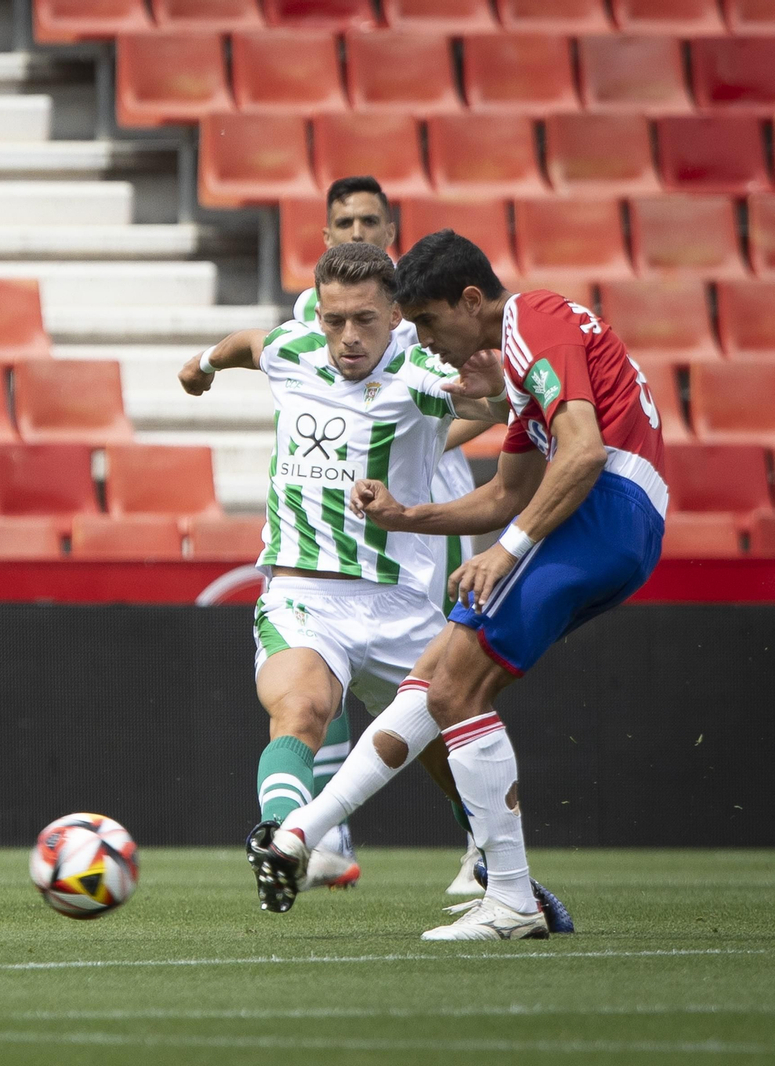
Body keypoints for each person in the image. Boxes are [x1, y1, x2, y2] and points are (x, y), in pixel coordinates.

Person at [253, 230, 663, 940]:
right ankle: (296, 839)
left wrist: (506, 553)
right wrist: (406, 515)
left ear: (471, 301)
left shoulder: (532, 316)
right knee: (439, 682)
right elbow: (505, 494)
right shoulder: (525, 377)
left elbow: (585, 452)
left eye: (432, 324)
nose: (430, 345)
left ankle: (508, 897)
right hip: (616, 523)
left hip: (604, 509)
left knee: (454, 688)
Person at [177, 242, 508, 908]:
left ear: (396, 315)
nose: (348, 337)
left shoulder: (417, 370)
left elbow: (485, 407)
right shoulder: (296, 349)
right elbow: (251, 343)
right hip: (304, 594)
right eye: (334, 320)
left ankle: (497, 864)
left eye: (364, 320)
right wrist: (206, 364)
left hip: (398, 603)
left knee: (453, 745)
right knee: (300, 709)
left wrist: (488, 397)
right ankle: (279, 841)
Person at [292, 177, 493, 893]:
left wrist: (428, 443)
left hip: (427, 506)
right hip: (350, 512)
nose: (355, 230)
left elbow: (490, 399)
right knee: (324, 665)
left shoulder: (419, 321)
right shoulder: (318, 317)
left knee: (439, 675)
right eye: (342, 220)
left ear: (391, 230)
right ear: (324, 235)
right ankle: (326, 837)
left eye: (368, 220)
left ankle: (482, 834)